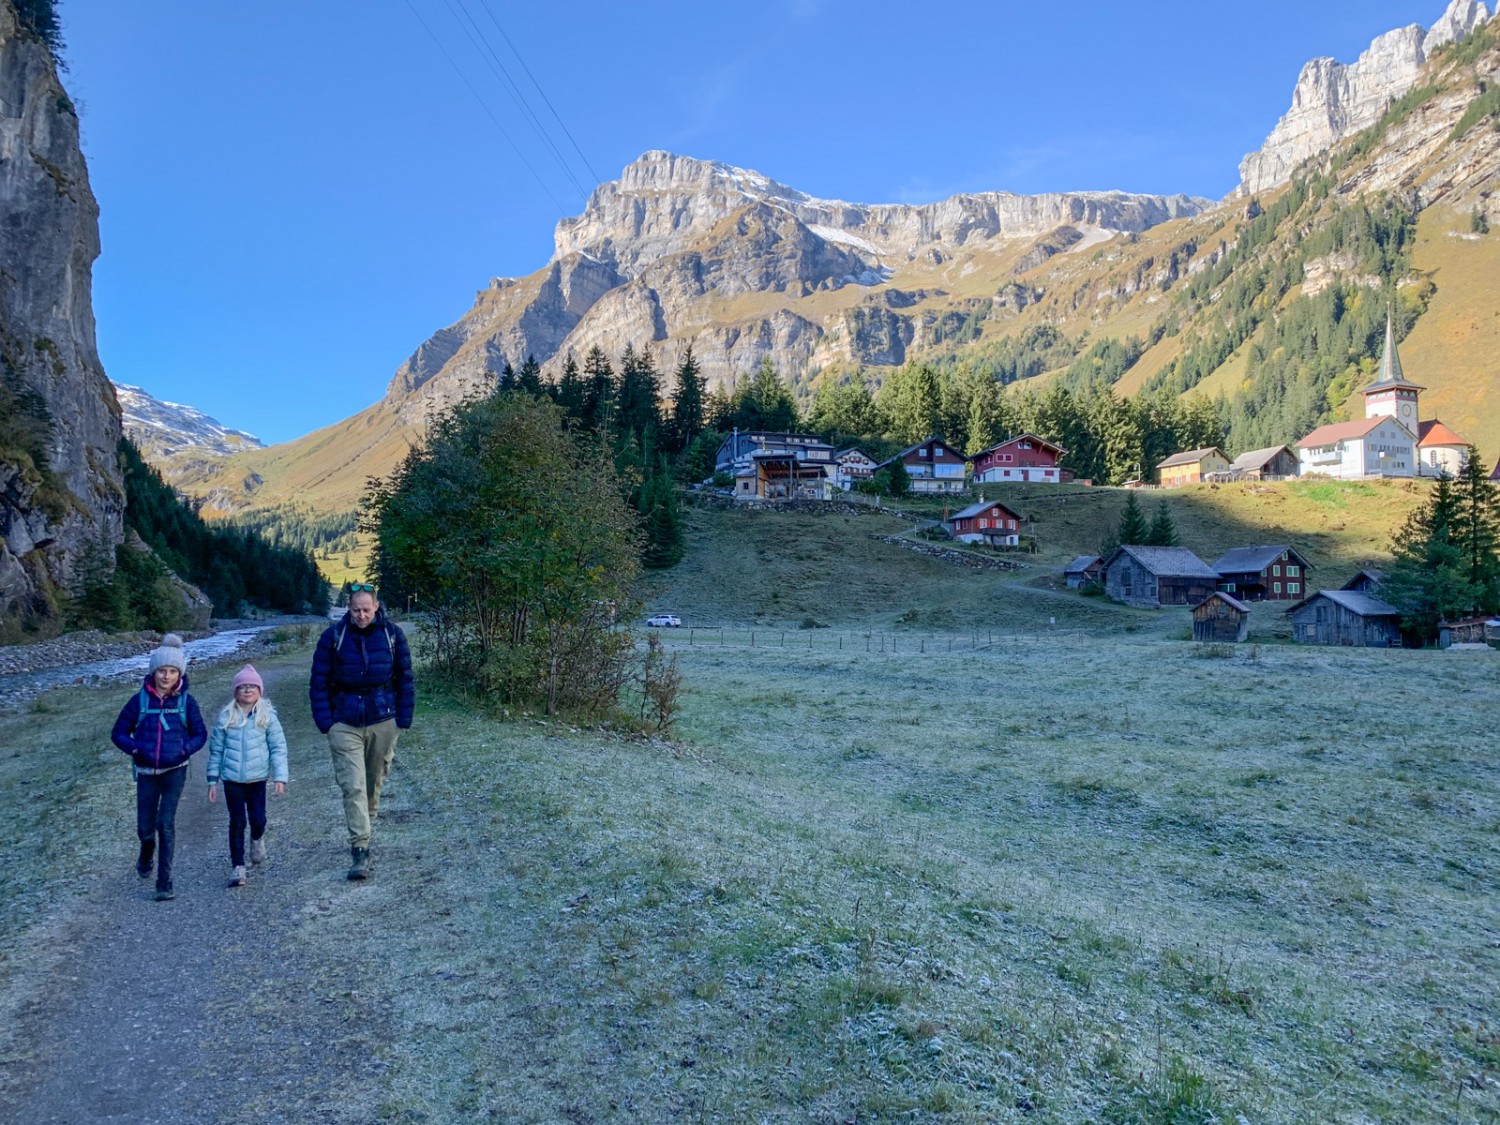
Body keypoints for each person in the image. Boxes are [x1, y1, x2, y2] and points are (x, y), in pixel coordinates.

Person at [308, 584, 414, 881]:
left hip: (383, 718)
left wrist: (402, 719)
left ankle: (365, 823)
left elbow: (405, 678)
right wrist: (326, 722)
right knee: (352, 785)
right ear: (348, 609)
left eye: (367, 609)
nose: (362, 615)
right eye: (356, 610)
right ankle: (360, 849)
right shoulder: (333, 638)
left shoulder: (393, 635)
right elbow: (319, 682)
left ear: (376, 607)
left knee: (372, 782)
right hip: (344, 721)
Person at [110, 633, 208, 901]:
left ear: (180, 674)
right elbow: (118, 733)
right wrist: (136, 748)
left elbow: (200, 734)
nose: (166, 676)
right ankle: (146, 853)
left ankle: (165, 882)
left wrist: (183, 751)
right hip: (145, 773)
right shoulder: (139, 701)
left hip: (175, 770)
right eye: (162, 671)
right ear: (153, 672)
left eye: (172, 671)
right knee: (145, 829)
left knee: (165, 823)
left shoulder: (187, 702)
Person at [206, 665, 289, 888]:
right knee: (237, 821)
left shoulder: (267, 716)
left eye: (252, 686)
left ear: (259, 690)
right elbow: (216, 751)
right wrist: (212, 779)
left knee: (258, 819)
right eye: (242, 687)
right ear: (235, 691)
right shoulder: (226, 717)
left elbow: (278, 747)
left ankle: (257, 840)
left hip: (257, 779)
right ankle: (238, 867)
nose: (247, 690)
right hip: (232, 780)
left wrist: (280, 777)